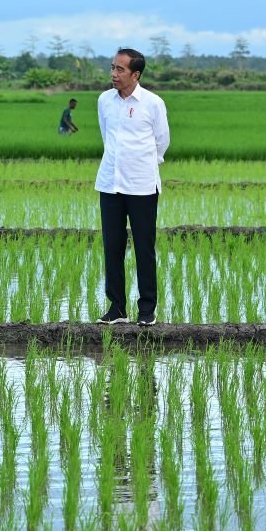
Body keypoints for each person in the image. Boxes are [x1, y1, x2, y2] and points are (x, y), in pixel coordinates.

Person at [96, 48, 169, 326]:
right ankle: (117, 308)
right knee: (112, 246)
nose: (114, 74)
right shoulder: (104, 100)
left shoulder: (153, 103)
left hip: (142, 186)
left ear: (135, 74)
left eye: (120, 70)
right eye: (113, 68)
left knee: (144, 248)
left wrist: (140, 164)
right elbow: (107, 137)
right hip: (110, 184)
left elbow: (162, 141)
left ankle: (147, 310)